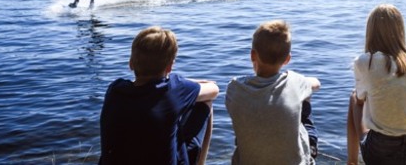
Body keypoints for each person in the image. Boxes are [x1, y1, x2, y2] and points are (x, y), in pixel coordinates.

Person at [99, 26, 220, 165]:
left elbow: (143, 88)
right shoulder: (173, 89)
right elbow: (213, 90)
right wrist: (186, 83)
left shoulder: (114, 90)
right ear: (169, 66)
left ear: (131, 63)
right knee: (205, 103)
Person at [346, 4, 406, 165]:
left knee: (354, 98)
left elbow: (360, 101)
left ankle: (351, 162)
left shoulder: (366, 62)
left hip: (381, 153)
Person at [226, 20, 321, 164]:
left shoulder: (234, 87)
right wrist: (303, 83)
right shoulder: (295, 82)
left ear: (252, 55)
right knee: (304, 97)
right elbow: (316, 83)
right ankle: (311, 148)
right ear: (287, 59)